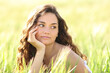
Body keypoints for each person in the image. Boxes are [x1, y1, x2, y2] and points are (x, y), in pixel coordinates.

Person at [17, 4, 92, 73]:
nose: (47, 31)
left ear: (58, 32)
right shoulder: (29, 52)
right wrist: (41, 50)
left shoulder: (66, 54)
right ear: (32, 28)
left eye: (53, 27)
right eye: (42, 25)